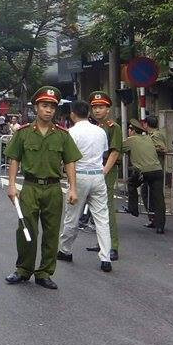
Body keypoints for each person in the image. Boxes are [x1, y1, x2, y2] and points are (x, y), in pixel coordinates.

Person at [4, 86, 81, 290]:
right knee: (26, 231)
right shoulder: (23, 133)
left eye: (52, 107)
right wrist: (12, 185)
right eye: (45, 106)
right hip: (29, 187)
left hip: (54, 189)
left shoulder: (63, 135)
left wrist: (73, 188)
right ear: (36, 107)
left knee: (51, 232)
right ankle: (23, 269)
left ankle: (45, 272)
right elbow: (14, 159)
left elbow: (70, 162)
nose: (48, 110)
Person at [57, 100, 113, 272]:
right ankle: (106, 257)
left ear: (72, 114)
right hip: (98, 175)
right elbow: (103, 152)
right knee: (102, 218)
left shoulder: (71, 133)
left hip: (79, 176)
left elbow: (68, 159)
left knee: (72, 216)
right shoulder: (100, 132)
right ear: (88, 113)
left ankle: (65, 250)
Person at [84, 91, 122, 261]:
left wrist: (104, 171)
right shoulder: (96, 128)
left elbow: (115, 152)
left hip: (106, 169)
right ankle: (102, 243)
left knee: (106, 207)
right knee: (96, 209)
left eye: (101, 107)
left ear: (108, 109)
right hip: (95, 168)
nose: (97, 110)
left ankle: (113, 246)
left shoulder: (114, 127)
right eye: (95, 107)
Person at [123, 119, 165, 234]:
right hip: (157, 170)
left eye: (129, 129)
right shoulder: (148, 138)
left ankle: (133, 209)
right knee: (159, 198)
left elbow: (118, 149)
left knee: (131, 183)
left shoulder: (130, 140)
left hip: (143, 172)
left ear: (132, 131)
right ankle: (160, 226)